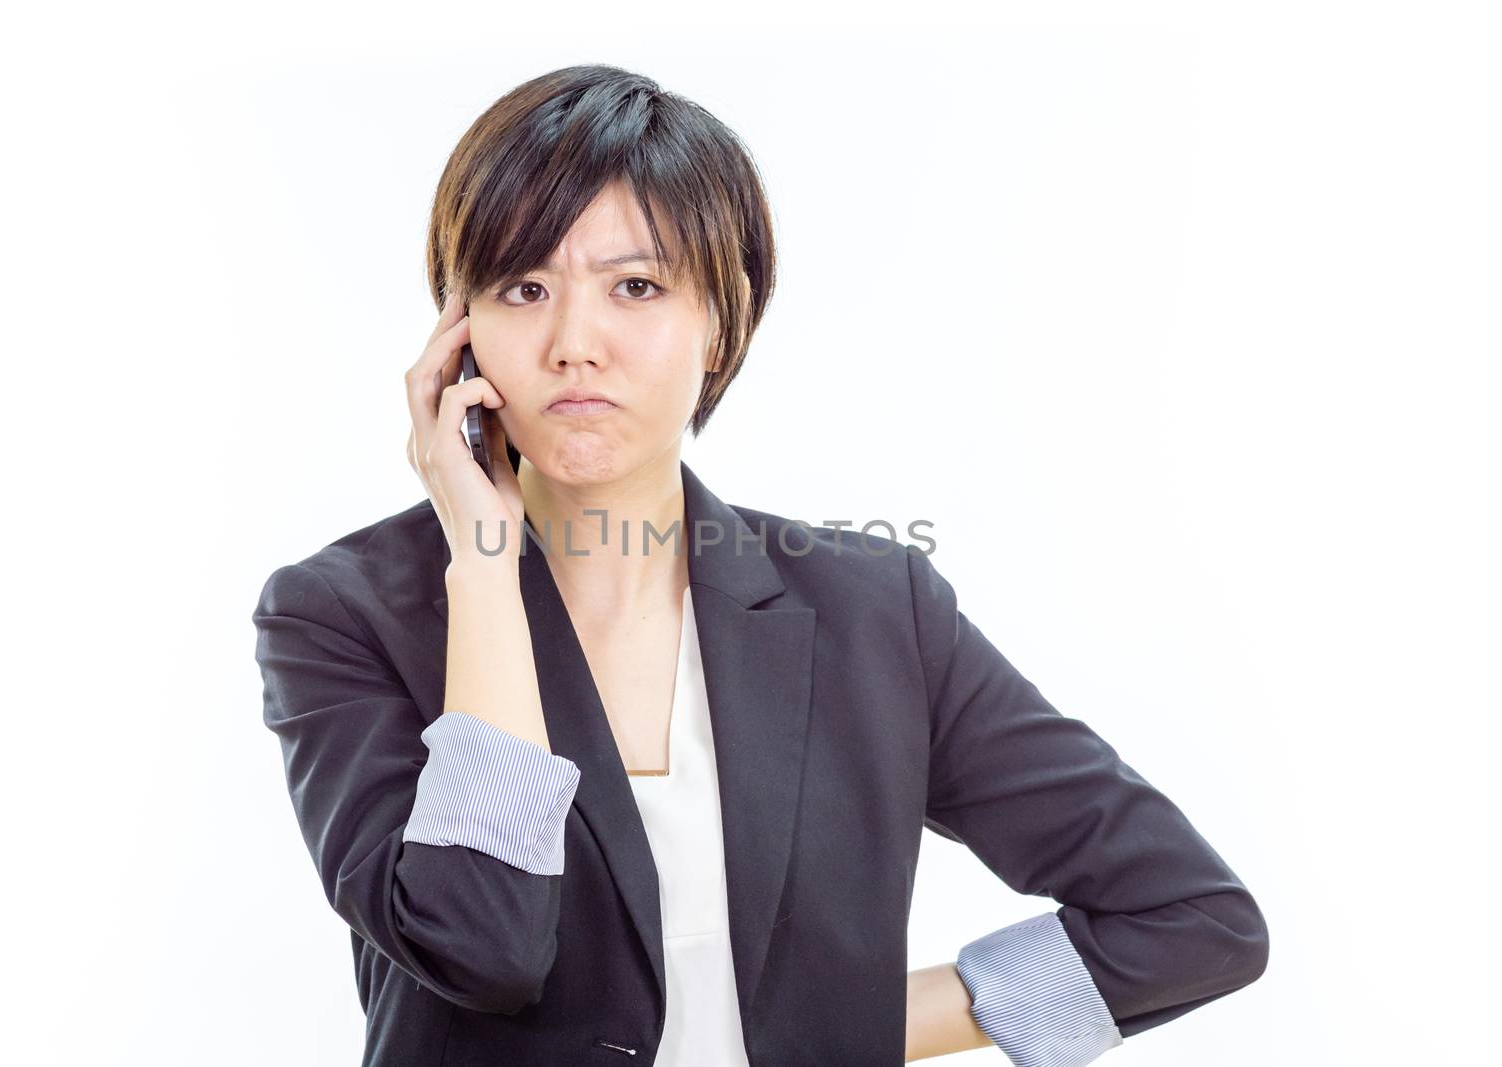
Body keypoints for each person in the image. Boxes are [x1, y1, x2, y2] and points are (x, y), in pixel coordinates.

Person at [252, 64, 1268, 1066]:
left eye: (636, 286)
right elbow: (480, 945)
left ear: (722, 317)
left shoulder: (875, 612)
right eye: (523, 287)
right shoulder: (342, 615)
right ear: (458, 333)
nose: (573, 342)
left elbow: (1188, 920)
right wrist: (479, 563)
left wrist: (841, 1032)